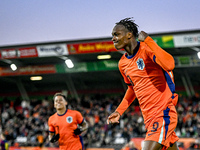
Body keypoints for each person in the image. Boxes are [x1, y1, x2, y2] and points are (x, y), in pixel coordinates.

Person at [107, 18, 179, 150]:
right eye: (112, 36)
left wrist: (149, 40)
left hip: (163, 112)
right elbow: (132, 89)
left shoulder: (147, 49)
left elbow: (169, 65)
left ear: (129, 34)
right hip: (148, 118)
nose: (113, 38)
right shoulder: (122, 64)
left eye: (116, 34)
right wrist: (119, 111)